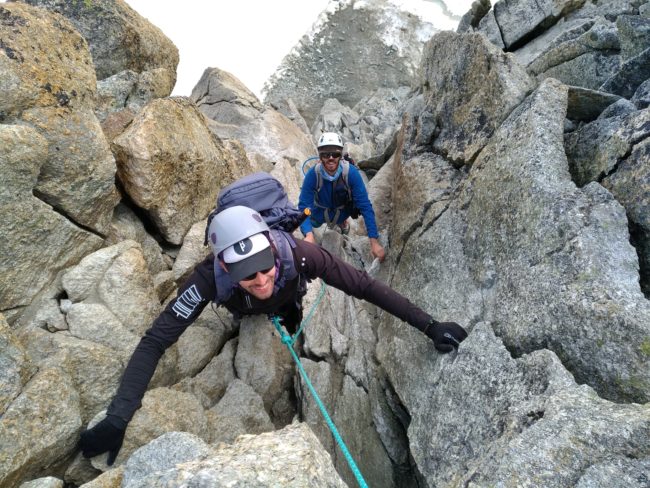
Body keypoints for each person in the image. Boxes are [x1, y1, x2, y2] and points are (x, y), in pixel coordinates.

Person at [78, 205, 468, 465]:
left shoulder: (300, 254)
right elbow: (155, 341)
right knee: (262, 301)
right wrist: (118, 418)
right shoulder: (205, 281)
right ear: (225, 268)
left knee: (284, 303)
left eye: (265, 266)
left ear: (272, 248)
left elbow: (364, 287)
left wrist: (429, 325)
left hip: (287, 296)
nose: (262, 278)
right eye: (248, 274)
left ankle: (287, 312)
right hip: (242, 309)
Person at [298, 132, 386, 262]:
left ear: (341, 155)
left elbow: (365, 206)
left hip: (343, 211)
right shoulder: (313, 175)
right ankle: (334, 223)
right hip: (320, 212)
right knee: (311, 223)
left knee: (349, 210)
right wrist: (309, 234)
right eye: (326, 154)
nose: (331, 158)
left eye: (335, 154)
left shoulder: (351, 173)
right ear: (320, 155)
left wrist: (373, 240)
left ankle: (341, 222)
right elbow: (304, 206)